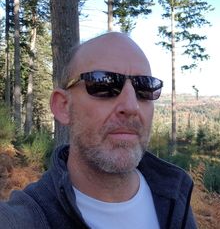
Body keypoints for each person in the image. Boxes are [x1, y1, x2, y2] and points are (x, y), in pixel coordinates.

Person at [0, 32, 197, 229]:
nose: (131, 106)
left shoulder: (174, 197)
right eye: (104, 84)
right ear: (63, 106)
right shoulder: (24, 219)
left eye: (144, 88)